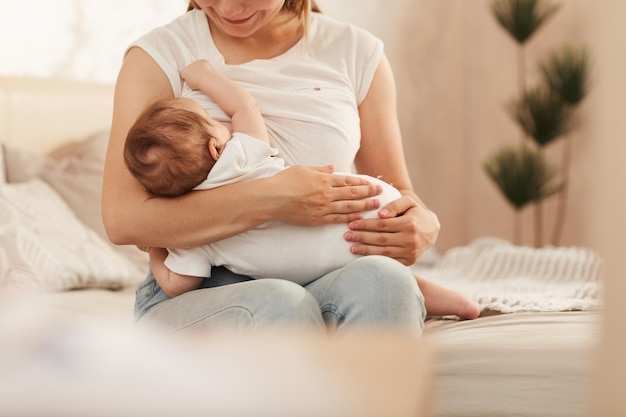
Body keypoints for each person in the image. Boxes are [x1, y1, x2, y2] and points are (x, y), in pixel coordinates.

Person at [102, 0, 463, 334]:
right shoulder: (161, 55)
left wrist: (421, 222)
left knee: (386, 283)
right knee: (281, 302)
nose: (228, 7)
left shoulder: (357, 53)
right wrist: (273, 198)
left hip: (323, 273)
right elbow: (123, 219)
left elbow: (401, 191)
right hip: (205, 287)